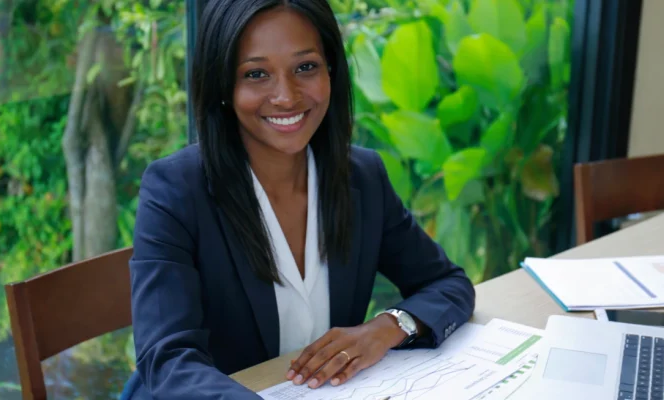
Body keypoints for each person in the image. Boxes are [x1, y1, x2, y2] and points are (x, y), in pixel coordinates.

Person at [120, 0, 475, 398]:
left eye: (305, 67)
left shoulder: (362, 177)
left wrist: (388, 327)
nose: (286, 97)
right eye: (256, 74)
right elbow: (167, 359)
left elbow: (448, 283)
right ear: (223, 85)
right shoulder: (174, 190)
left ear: (331, 71)